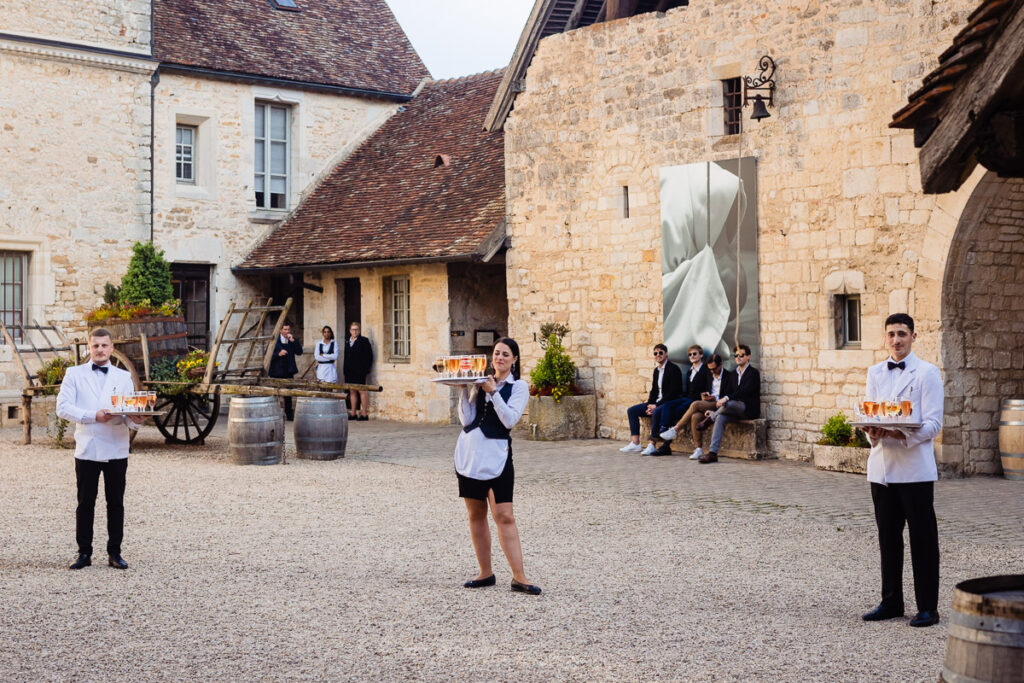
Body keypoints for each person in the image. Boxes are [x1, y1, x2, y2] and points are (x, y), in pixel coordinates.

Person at [861, 313, 943, 628]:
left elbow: (934, 424)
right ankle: (891, 601)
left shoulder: (928, 373)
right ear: (886, 338)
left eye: (903, 334)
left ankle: (927, 608)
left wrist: (900, 433)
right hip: (882, 469)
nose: (897, 340)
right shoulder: (875, 372)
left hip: (915, 471)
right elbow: (870, 412)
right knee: (888, 538)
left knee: (923, 539)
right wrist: (872, 432)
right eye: (892, 334)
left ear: (913, 337)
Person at [454, 337, 540, 595]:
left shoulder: (519, 387)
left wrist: (493, 392)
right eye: (496, 353)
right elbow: (467, 419)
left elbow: (510, 420)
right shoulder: (480, 381)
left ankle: (519, 576)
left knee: (504, 515)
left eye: (505, 354)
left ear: (514, 359)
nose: (499, 358)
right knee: (475, 514)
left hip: (497, 455)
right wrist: (463, 388)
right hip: (470, 453)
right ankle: (485, 572)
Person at [56, 328, 145, 570]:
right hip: (88, 447)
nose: (100, 350)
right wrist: (91, 416)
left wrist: (138, 419)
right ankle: (84, 553)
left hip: (116, 447)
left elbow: (128, 415)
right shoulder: (73, 374)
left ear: (112, 348)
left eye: (104, 346)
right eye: (95, 346)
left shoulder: (123, 377)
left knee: (116, 502)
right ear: (89, 347)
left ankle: (115, 553)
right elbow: (62, 408)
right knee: (85, 502)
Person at [695, 343, 760, 463]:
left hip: (748, 409)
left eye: (741, 355)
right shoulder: (733, 374)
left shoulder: (753, 373)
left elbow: (744, 392)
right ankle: (713, 453)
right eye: (736, 355)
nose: (738, 358)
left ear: (748, 357)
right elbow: (728, 392)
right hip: (731, 410)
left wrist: (727, 398)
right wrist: (717, 406)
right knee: (720, 417)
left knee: (729, 403)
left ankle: (709, 419)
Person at [659, 353, 726, 460]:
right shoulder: (709, 375)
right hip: (709, 403)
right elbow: (707, 389)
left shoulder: (728, 375)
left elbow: (728, 394)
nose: (712, 372)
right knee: (695, 416)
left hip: (720, 404)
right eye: (710, 369)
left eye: (714, 369)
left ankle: (676, 429)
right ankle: (699, 449)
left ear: (720, 365)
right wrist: (706, 396)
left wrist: (716, 397)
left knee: (695, 404)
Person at [620, 344, 684, 455]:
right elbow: (654, 390)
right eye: (655, 353)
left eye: (660, 353)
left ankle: (652, 445)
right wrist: (650, 404)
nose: (658, 355)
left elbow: (673, 392)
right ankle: (636, 444)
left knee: (656, 412)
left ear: (666, 354)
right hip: (656, 403)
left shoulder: (674, 369)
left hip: (667, 403)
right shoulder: (656, 371)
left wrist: (657, 405)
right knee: (632, 411)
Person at [650, 344, 710, 456]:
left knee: (670, 411)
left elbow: (707, 388)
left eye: (694, 354)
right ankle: (663, 432)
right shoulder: (689, 371)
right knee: (667, 405)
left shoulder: (706, 370)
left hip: (697, 401)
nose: (692, 356)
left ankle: (665, 443)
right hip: (686, 399)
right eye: (690, 355)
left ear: (701, 355)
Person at [268, 322, 303, 420]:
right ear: (280, 330)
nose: (287, 331)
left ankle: (289, 414)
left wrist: (293, 341)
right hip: (276, 371)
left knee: (288, 394)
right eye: (285, 329)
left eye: (288, 329)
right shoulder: (274, 341)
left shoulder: (292, 340)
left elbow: (299, 352)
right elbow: (268, 355)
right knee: (276, 393)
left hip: (288, 371)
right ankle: (275, 413)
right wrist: (278, 354)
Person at [343, 322, 373, 421]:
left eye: (356, 329)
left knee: (362, 391)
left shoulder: (364, 341)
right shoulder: (348, 341)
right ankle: (353, 413)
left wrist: (365, 369)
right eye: (353, 329)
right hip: (350, 371)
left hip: (360, 371)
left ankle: (364, 414)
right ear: (350, 331)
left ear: (359, 330)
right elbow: (346, 357)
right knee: (352, 391)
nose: (354, 331)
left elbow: (369, 356)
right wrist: (345, 369)